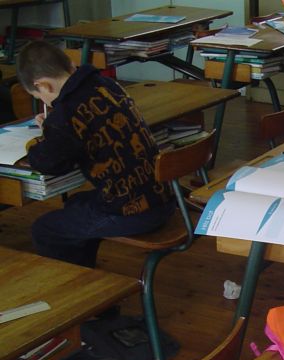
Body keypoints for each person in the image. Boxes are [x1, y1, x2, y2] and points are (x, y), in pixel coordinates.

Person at [17, 42, 173, 268]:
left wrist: (42, 137)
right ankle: (87, 271)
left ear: (42, 85)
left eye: (39, 96)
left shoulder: (66, 114)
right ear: (70, 65)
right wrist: (53, 129)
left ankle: (79, 281)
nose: (45, 103)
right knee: (76, 204)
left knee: (45, 230)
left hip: (131, 212)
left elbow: (49, 163)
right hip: (162, 197)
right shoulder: (106, 85)